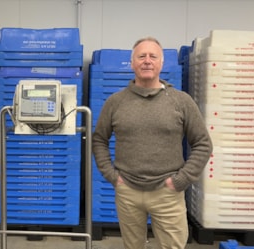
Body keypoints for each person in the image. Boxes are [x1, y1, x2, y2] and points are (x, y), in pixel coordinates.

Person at [92, 37, 212, 249]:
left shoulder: (181, 101)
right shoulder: (115, 102)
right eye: (141, 56)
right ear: (132, 63)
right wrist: (112, 177)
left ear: (161, 63)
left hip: (168, 192)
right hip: (127, 190)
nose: (147, 61)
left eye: (152, 56)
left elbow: (202, 143)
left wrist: (180, 180)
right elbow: (99, 139)